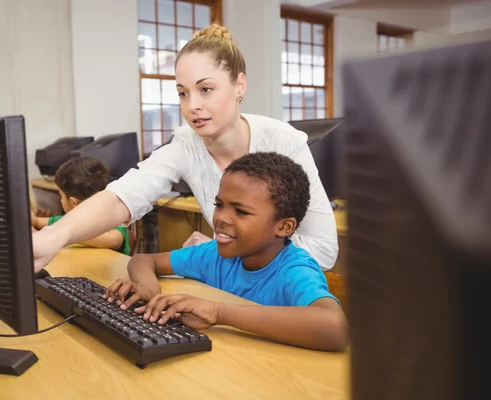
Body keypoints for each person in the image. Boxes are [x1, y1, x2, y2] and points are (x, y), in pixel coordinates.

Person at [32, 23, 338, 273]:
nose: (193, 106)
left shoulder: (283, 140)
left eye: (206, 89)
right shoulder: (185, 144)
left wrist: (221, 250)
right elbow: (123, 196)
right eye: (182, 93)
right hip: (233, 286)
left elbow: (324, 251)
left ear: (239, 86)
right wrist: (54, 237)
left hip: (282, 290)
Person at [104, 152, 348, 351]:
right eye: (219, 205)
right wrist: (148, 288)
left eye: (240, 212)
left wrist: (217, 312)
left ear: (284, 227)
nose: (220, 218)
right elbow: (144, 260)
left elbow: (335, 328)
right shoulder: (215, 255)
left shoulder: (294, 270)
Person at [31, 157, 130, 255]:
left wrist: (63, 235)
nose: (61, 201)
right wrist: (32, 221)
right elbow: (38, 222)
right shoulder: (68, 223)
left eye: (61, 197)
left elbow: (115, 240)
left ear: (74, 202)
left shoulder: (113, 220)